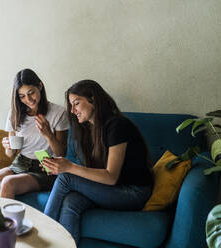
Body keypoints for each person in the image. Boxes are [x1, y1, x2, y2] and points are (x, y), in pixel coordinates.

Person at [42, 80, 154, 244]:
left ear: (93, 99)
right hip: (115, 189)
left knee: (66, 178)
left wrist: (69, 168)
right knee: (71, 200)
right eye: (71, 105)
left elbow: (110, 177)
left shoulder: (117, 126)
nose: (73, 110)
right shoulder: (91, 129)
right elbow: (95, 173)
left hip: (134, 192)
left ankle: (41, 235)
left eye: (77, 103)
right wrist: (60, 166)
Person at [0, 69, 69, 199]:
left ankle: (4, 220)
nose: (28, 99)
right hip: (21, 162)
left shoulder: (58, 113)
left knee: (8, 183)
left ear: (40, 86)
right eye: (22, 96)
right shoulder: (14, 113)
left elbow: (62, 152)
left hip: (45, 167)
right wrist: (8, 147)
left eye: (31, 93)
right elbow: (10, 155)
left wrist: (49, 135)